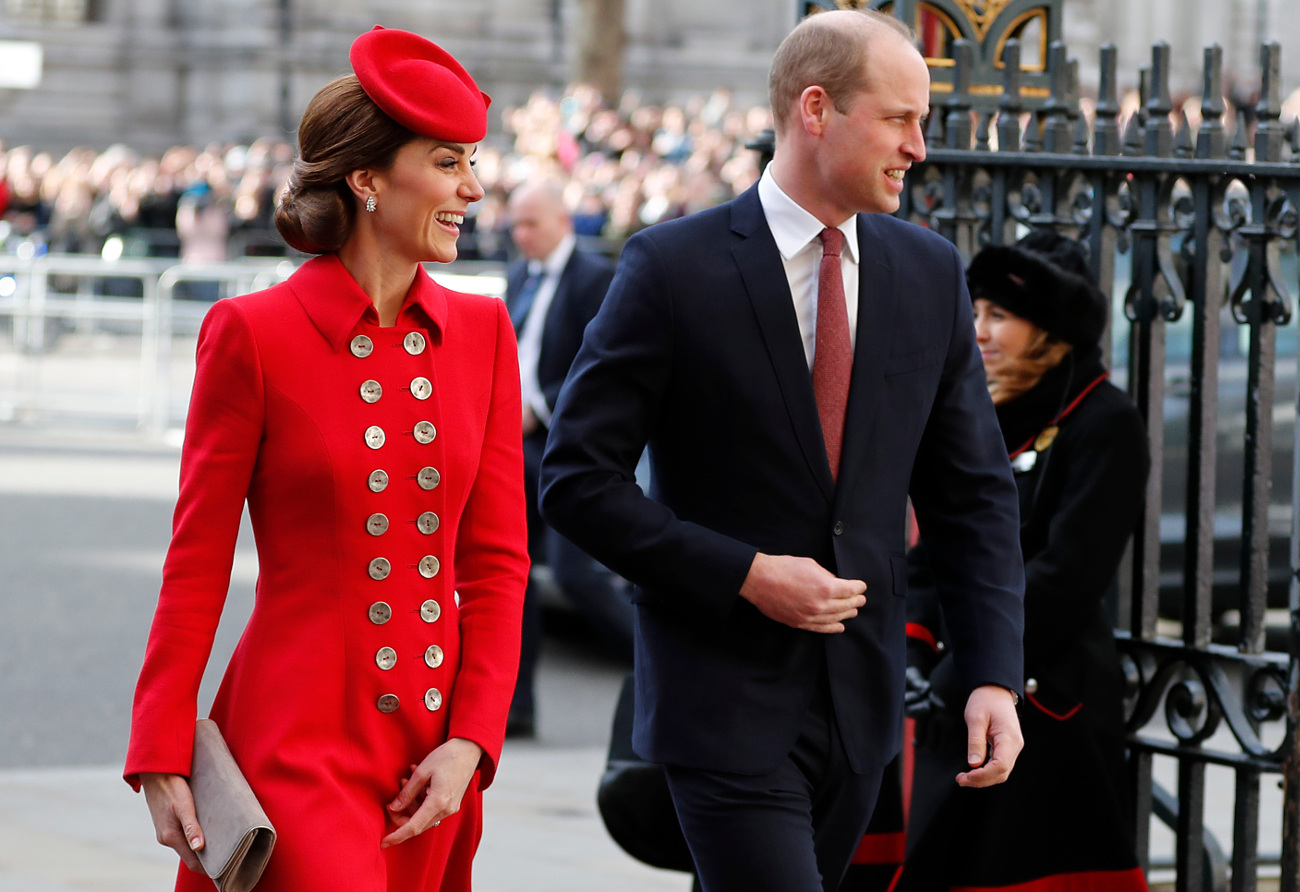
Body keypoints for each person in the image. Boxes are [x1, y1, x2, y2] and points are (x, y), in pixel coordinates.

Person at [538, 10, 1026, 892]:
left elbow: (974, 493)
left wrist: (992, 673)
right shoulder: (670, 267)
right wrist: (744, 572)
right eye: (899, 118)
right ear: (815, 109)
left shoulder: (928, 272)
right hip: (720, 704)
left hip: (863, 712)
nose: (919, 146)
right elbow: (576, 482)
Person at [124, 26, 529, 892]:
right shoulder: (251, 335)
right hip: (295, 738)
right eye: (450, 161)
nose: (475, 187)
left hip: (433, 758)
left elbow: (496, 566)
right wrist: (160, 746)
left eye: (473, 163)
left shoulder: (486, 335)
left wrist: (474, 740)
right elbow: (196, 557)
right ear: (369, 179)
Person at [893, 231, 1151, 891]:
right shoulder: (977, 411)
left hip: (1045, 703)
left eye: (999, 316)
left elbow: (1068, 574)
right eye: (975, 312)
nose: (978, 330)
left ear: (1048, 329)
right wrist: (914, 651)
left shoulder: (1105, 421)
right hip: (956, 686)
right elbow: (931, 551)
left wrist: (966, 669)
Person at [503, 177, 631, 738]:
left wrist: (540, 406)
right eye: (516, 225)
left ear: (561, 221)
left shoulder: (596, 279)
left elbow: (600, 365)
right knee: (515, 579)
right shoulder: (519, 277)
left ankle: (660, 662)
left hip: (569, 446)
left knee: (579, 575)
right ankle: (517, 709)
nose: (521, 235)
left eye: (530, 224)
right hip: (516, 448)